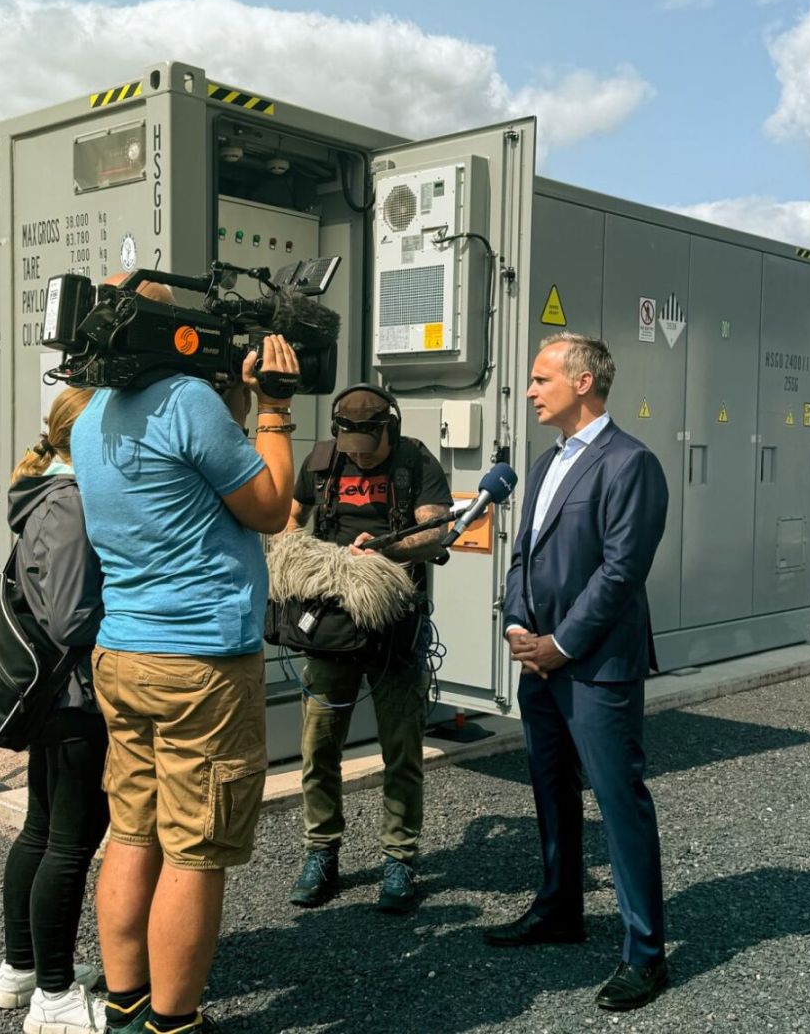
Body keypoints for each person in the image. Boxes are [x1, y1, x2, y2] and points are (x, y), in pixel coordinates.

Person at [70, 276, 300, 1034]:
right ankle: (177, 1022)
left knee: (132, 830)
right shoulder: (188, 404)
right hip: (200, 660)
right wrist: (273, 410)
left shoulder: (91, 414)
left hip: (124, 653)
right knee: (196, 846)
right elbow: (269, 507)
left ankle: (127, 1002)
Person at [484, 332, 670, 1012]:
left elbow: (623, 572)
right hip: (540, 662)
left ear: (583, 383)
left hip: (593, 665)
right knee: (550, 791)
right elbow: (523, 553)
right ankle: (560, 908)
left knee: (619, 804)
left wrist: (561, 644)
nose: (530, 390)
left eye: (540, 379)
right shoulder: (544, 462)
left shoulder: (631, 464)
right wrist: (514, 622)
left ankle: (644, 955)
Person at [284, 384, 452, 913]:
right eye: (349, 442)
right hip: (332, 626)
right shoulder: (320, 460)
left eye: (366, 444)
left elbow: (438, 532)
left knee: (401, 747)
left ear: (389, 429)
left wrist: (382, 553)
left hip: (396, 629)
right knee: (318, 746)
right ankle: (321, 853)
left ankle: (399, 857)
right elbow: (290, 521)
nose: (357, 453)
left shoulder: (413, 461)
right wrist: (311, 563)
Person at [0, 386, 110, 1034]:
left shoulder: (46, 493)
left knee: (41, 831)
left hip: (49, 692)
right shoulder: (72, 503)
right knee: (69, 842)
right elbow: (70, 616)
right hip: (73, 696)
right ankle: (56, 998)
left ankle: (22, 971)